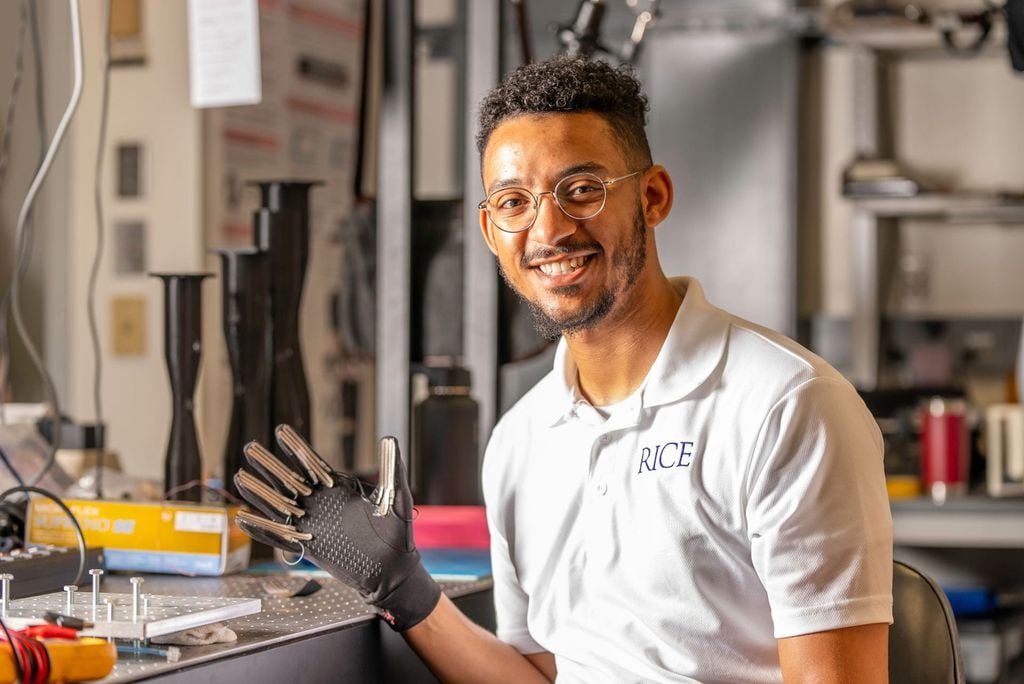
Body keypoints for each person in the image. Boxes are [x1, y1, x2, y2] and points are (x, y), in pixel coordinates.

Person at [233, 55, 893, 683]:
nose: (549, 230)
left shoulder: (785, 406)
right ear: (492, 233)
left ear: (654, 197)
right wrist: (406, 591)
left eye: (581, 190)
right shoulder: (521, 442)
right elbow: (540, 675)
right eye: (515, 203)